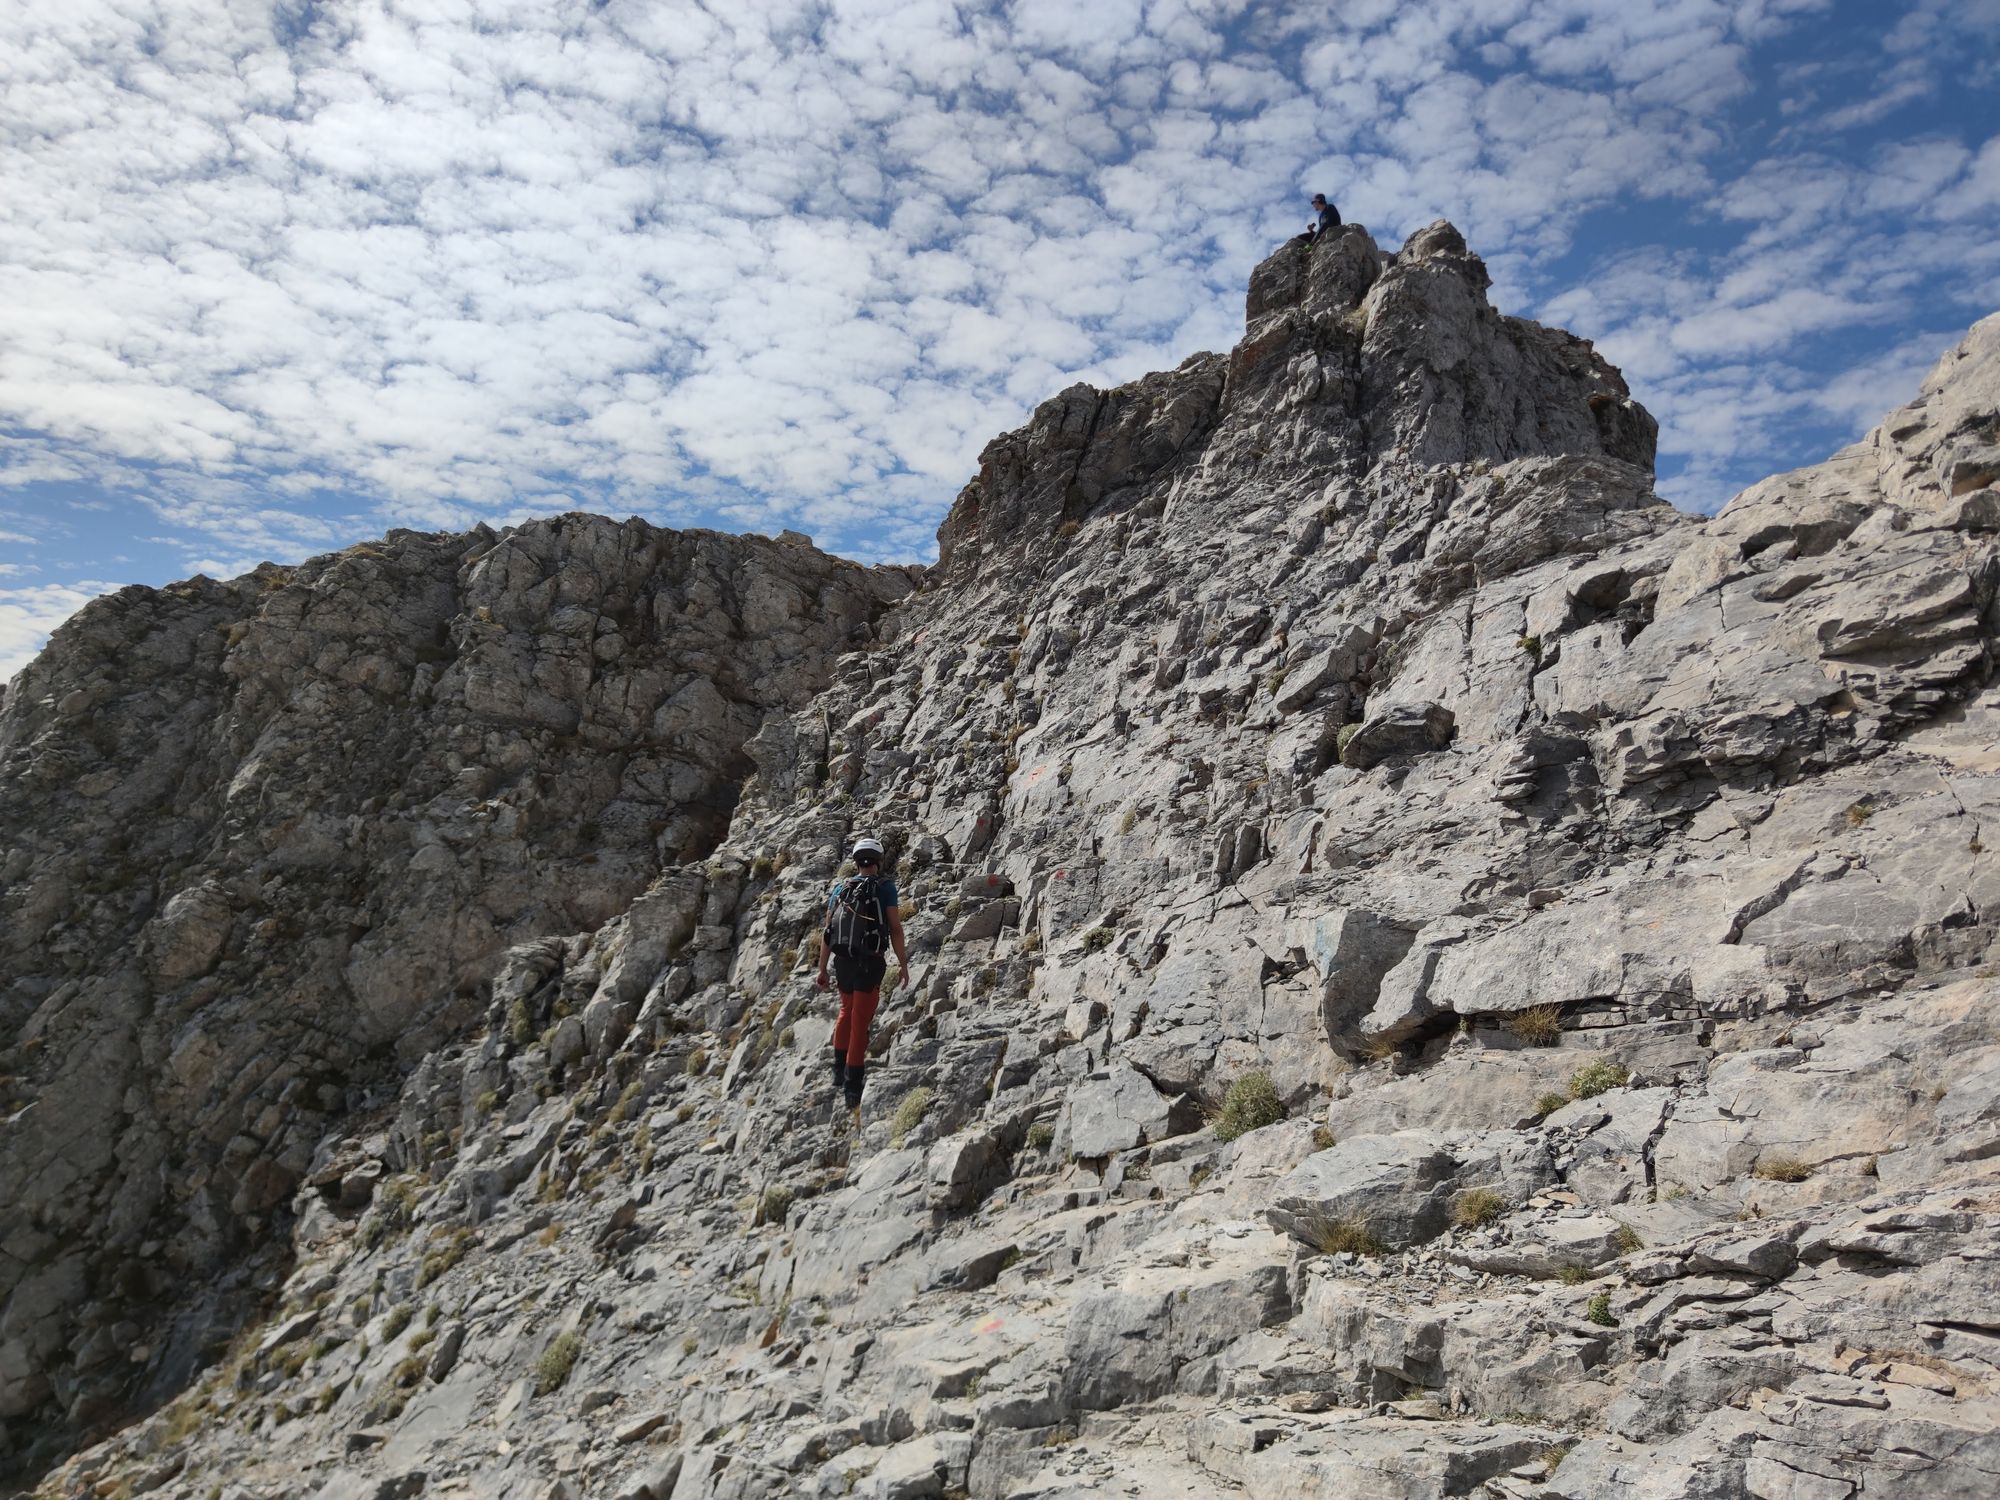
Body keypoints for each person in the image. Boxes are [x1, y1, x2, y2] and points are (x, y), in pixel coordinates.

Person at [816, 835, 909, 1116]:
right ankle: (852, 1086)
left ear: (855, 862)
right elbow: (895, 929)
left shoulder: (840, 889)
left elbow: (828, 933)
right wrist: (903, 964)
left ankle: (838, 1070)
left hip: (842, 962)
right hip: (870, 962)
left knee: (846, 1010)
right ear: (878, 862)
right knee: (860, 1022)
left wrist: (822, 969)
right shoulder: (885, 888)